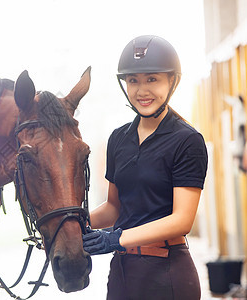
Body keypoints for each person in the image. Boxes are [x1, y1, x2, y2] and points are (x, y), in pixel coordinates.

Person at [82, 35, 208, 299]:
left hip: (167, 272)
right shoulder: (118, 139)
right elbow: (114, 208)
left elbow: (181, 220)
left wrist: (115, 239)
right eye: (133, 80)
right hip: (123, 272)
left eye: (152, 79)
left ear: (172, 81)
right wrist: (69, 225)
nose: (142, 91)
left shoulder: (187, 141)